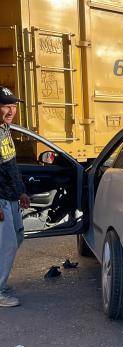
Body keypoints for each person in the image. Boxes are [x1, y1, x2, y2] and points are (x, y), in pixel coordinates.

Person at [0, 86, 30, 308]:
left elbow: (11, 165)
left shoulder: (4, 129)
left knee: (17, 237)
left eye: (13, 106)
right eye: (5, 106)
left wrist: (21, 191)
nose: (11, 111)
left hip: (10, 196)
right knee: (6, 245)